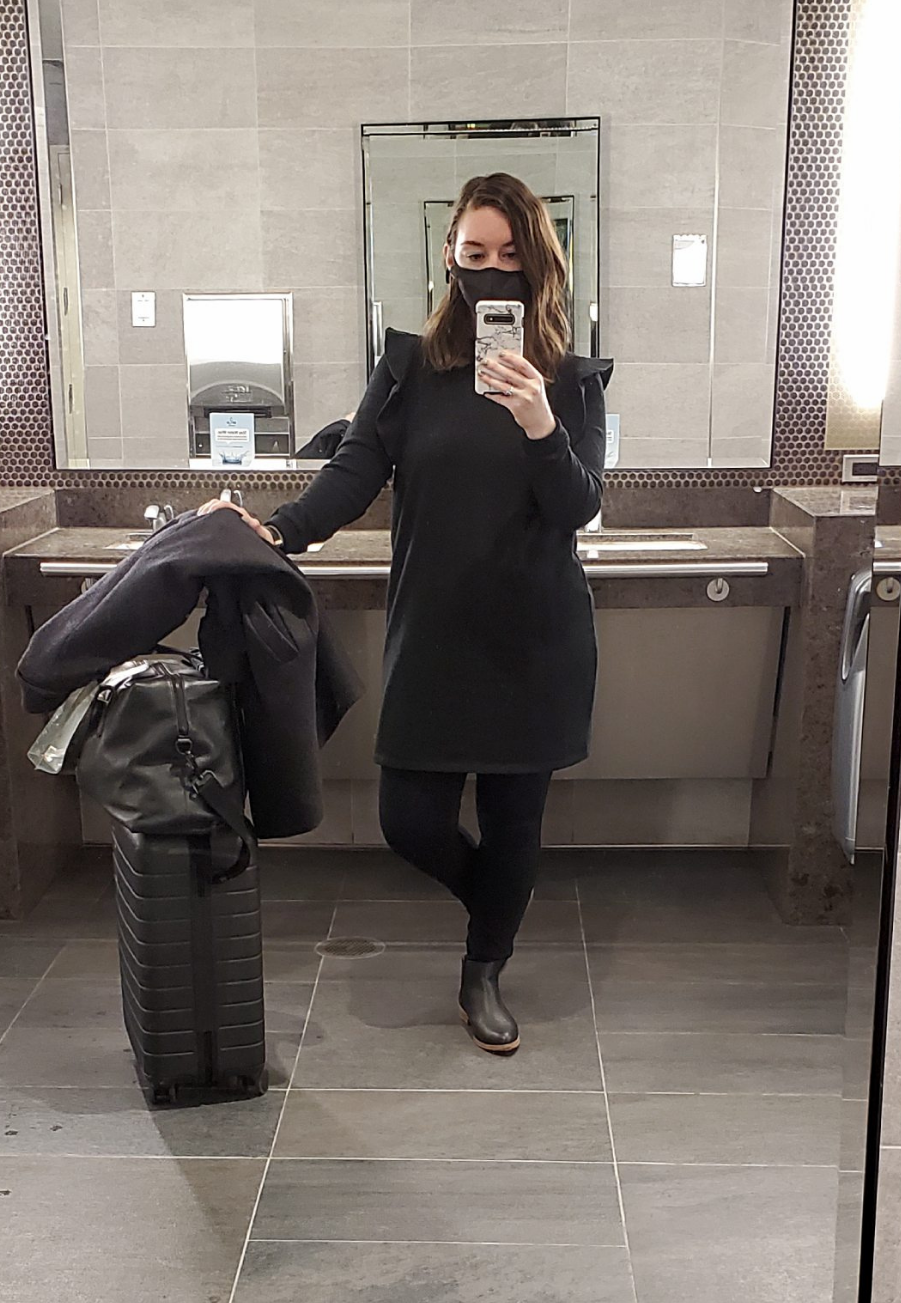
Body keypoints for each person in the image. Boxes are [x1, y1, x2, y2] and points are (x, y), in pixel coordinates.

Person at [204, 173, 613, 1056]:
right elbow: (354, 475)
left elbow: (579, 506)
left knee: (516, 822)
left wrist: (540, 420)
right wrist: (276, 529)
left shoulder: (573, 381)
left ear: (540, 265)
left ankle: (484, 967)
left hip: (536, 639)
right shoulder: (407, 368)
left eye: (510, 256)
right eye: (475, 255)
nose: (491, 272)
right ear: (448, 258)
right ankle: (499, 897)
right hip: (434, 637)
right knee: (411, 821)